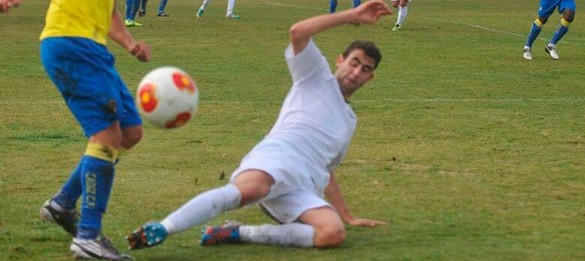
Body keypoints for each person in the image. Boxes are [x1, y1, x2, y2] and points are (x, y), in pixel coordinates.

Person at [127, 0, 391, 251]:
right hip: (278, 156)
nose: (356, 72)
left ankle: (237, 233)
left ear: (371, 77)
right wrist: (352, 15)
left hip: (305, 183)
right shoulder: (315, 75)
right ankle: (162, 228)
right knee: (252, 189)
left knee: (332, 234)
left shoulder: (349, 121)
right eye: (354, 63)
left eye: (365, 69)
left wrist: (347, 215)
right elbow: (298, 31)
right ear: (340, 60)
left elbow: (328, 169)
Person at [34, 0, 151, 259]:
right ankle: (88, 236)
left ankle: (62, 204)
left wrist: (130, 44)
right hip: (71, 43)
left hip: (92, 50)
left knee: (131, 131)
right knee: (106, 135)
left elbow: (107, 11)